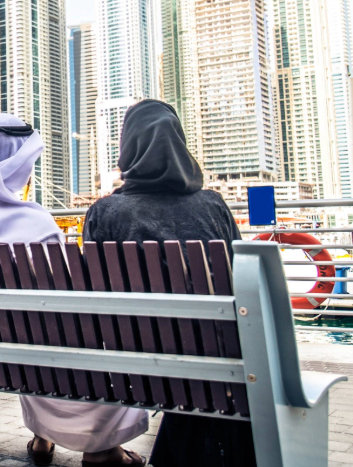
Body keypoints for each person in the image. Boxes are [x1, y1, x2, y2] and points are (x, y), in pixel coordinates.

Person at [0, 113, 148, 467]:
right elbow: (65, 303)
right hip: (36, 345)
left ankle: (43, 437)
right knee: (70, 339)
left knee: (25, 334)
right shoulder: (34, 224)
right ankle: (102, 450)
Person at [83, 100, 254, 467]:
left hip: (136, 367)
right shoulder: (214, 205)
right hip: (219, 361)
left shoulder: (104, 213)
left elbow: (91, 295)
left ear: (128, 149)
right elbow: (243, 279)